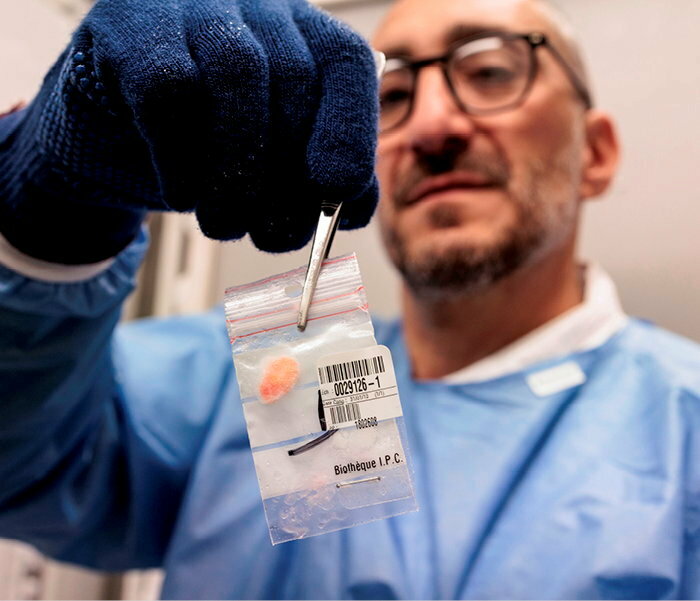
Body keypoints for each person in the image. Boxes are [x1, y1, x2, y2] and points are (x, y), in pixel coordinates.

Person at [1, 0, 699, 598]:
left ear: (598, 152)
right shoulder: (248, 383)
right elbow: (23, 459)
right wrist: (53, 212)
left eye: (491, 71)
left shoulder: (683, 434)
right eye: (390, 96)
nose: (432, 127)